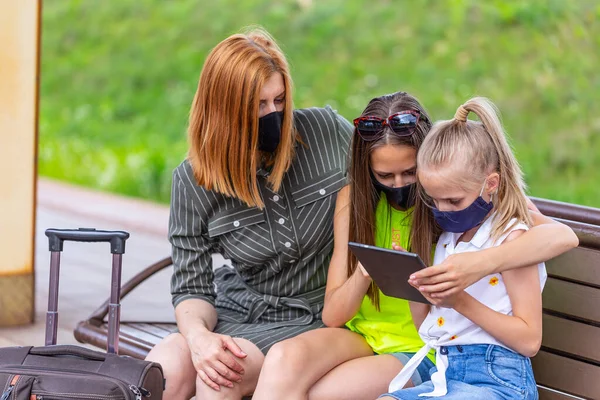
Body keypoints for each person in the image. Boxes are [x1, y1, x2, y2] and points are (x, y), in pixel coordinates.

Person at [252, 93, 577, 399]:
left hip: (429, 347)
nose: (399, 185)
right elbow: (334, 315)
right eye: (385, 175)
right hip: (367, 337)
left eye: (410, 173)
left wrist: (477, 265)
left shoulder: (453, 203)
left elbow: (561, 236)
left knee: (319, 394)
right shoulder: (357, 202)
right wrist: (367, 272)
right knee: (283, 358)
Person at [145, 27, 355, 400]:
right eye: (258, 105)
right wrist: (199, 340)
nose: (273, 114)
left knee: (219, 380)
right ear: (224, 110)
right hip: (239, 307)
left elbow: (392, 178)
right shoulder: (193, 181)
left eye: (279, 100)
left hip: (309, 318)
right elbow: (192, 286)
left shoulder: (326, 133)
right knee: (164, 370)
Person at [381, 97, 552, 399]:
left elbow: (529, 341)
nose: (443, 211)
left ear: (491, 183)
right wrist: (416, 289)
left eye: (454, 201)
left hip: (499, 380)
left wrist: (459, 301)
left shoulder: (512, 239)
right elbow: (429, 329)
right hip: (445, 374)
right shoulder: (451, 238)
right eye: (434, 200)